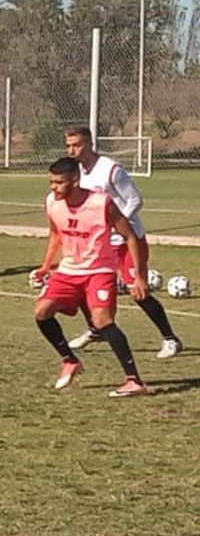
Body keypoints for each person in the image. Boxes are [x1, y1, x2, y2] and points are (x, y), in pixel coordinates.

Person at [32, 157, 149, 398]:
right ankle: (70, 360)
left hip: (99, 270)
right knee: (42, 312)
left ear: (75, 180)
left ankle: (134, 380)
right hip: (68, 271)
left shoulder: (101, 203)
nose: (53, 187)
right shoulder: (52, 202)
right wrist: (46, 267)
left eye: (59, 182)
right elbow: (56, 234)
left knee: (102, 320)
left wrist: (139, 277)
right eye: (51, 182)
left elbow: (130, 236)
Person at [63, 126, 184, 359]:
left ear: (89, 144)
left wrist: (116, 224)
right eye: (68, 145)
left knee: (138, 292)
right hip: (99, 242)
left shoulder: (110, 170)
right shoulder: (76, 172)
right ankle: (95, 329)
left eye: (76, 145)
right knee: (82, 283)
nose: (71, 150)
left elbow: (135, 200)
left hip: (128, 239)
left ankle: (170, 338)